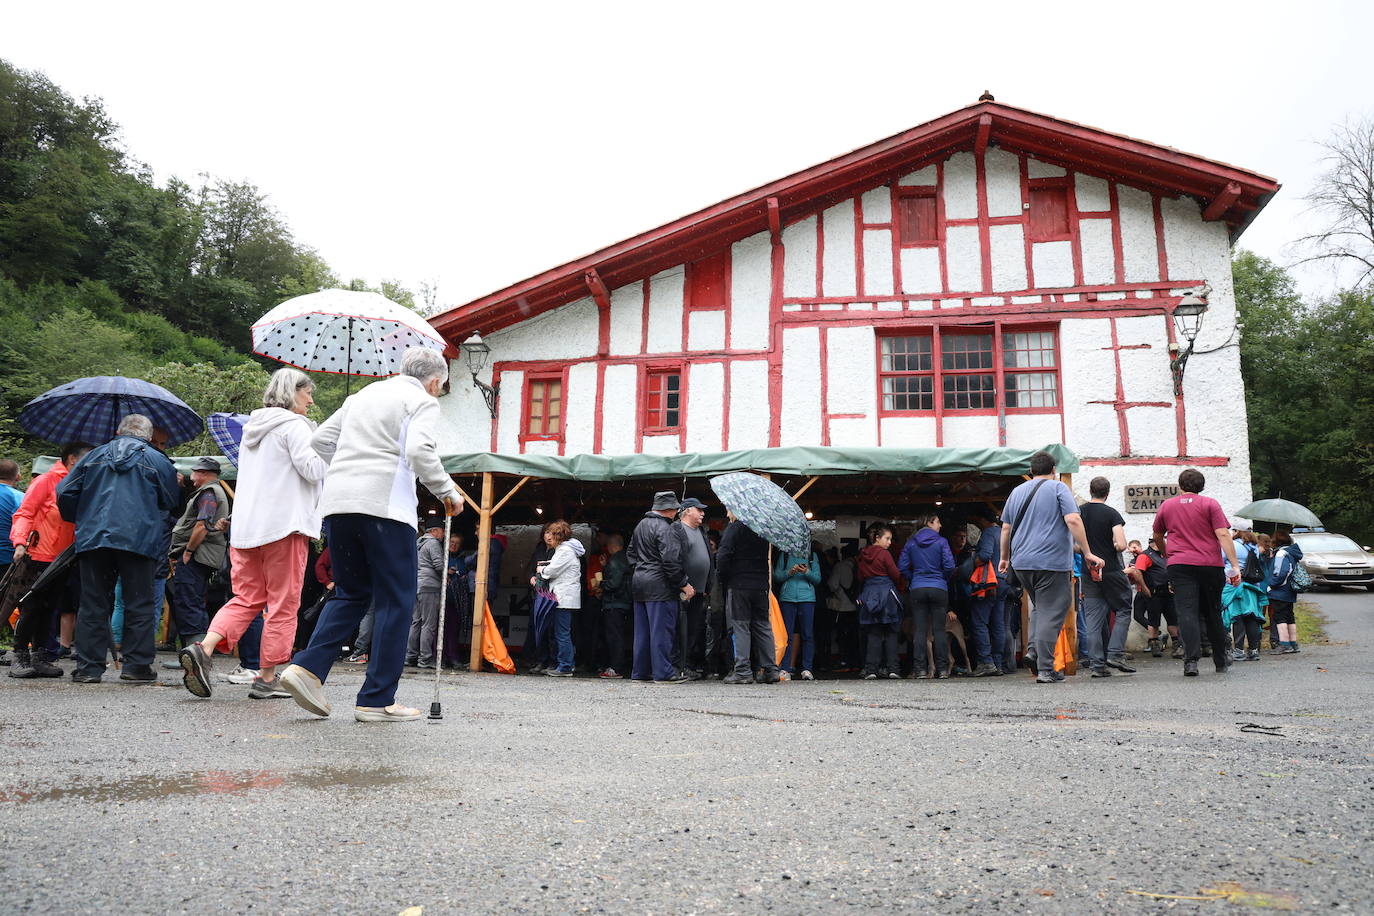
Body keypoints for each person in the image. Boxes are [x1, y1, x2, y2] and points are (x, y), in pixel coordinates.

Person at [279, 346, 463, 723]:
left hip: (339, 504)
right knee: (397, 601)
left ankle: (307, 668)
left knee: (350, 593)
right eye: (441, 387)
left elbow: (320, 441)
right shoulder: (421, 401)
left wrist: (351, 468)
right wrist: (448, 492)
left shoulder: (362, 395)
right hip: (386, 508)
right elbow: (419, 450)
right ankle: (376, 700)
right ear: (434, 382)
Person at [178, 368, 327, 699]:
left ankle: (204, 647)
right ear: (292, 393)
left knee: (247, 598)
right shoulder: (295, 426)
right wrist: (325, 445)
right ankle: (266, 677)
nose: (310, 400)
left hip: (246, 529)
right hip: (284, 526)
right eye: (307, 393)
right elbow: (313, 469)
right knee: (283, 603)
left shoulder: (251, 430)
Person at [55, 414, 179, 684]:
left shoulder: (92, 456)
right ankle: (137, 667)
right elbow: (170, 500)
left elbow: (64, 492)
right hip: (139, 539)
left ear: (119, 432)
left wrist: (83, 518)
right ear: (148, 437)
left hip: (94, 538)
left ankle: (88, 668)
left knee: (92, 603)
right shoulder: (158, 460)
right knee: (139, 602)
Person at [998, 451, 1103, 684]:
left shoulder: (1017, 492)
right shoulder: (1058, 488)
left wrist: (1004, 557)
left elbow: (1006, 528)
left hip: (1022, 563)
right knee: (1054, 611)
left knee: (1041, 608)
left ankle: (1034, 650)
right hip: (1051, 562)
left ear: (1031, 470)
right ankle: (1045, 668)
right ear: (1053, 470)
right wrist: (1087, 552)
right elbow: (1073, 519)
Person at [7, 441, 91, 678]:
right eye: (88, 459)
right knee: (32, 606)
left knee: (51, 607)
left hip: (65, 557)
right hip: (38, 554)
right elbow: (25, 513)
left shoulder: (82, 483)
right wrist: (20, 542)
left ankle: (40, 657)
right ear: (73, 459)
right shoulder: (46, 480)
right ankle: (19, 656)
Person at [1152, 468, 1241, 677]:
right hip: (1210, 563)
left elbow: (1157, 535)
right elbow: (1222, 533)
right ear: (1202, 486)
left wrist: (1167, 555)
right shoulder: (1210, 504)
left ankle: (1191, 662)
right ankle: (1220, 660)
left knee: (1187, 612)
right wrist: (1235, 565)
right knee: (1212, 611)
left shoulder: (1167, 506)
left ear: (1180, 486)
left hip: (1180, 564)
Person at [166, 456, 231, 655]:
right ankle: (197, 653)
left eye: (194, 472)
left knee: (188, 601)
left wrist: (188, 551)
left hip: (197, 555)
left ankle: (195, 654)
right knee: (193, 601)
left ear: (203, 473)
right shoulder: (212, 491)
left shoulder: (208, 493)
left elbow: (201, 526)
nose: (191, 476)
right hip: (203, 555)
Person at [627, 492, 690, 684]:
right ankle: (663, 673)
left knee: (642, 632)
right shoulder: (666, 528)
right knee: (661, 631)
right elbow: (670, 561)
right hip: (660, 587)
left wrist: (642, 569)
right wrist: (683, 583)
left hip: (639, 583)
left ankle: (640, 672)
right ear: (669, 509)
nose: (677, 512)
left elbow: (630, 553)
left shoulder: (640, 525)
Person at [1077, 477, 1136, 678]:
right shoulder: (1111, 513)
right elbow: (1122, 544)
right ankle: (1115, 653)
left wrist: (1087, 550)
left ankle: (1097, 665)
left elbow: (1074, 545)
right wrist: (1112, 545)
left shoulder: (1080, 512)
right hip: (1111, 570)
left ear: (1090, 491)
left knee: (1093, 619)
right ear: (1107, 493)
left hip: (1088, 571)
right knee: (1123, 608)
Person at [717, 511, 778, 685]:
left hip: (739, 585)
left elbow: (723, 556)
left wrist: (723, 577)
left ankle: (743, 671)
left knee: (741, 627)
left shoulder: (734, 528)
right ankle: (771, 669)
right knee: (763, 626)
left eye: (728, 509)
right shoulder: (762, 530)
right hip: (760, 585)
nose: (727, 513)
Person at [899, 514, 955, 679]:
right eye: (938, 522)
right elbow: (950, 566)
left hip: (918, 588)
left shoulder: (911, 543)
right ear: (929, 523)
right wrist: (942, 579)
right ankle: (942, 670)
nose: (940, 525)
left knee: (920, 630)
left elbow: (902, 566)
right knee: (939, 630)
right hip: (938, 588)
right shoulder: (942, 542)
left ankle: (920, 669)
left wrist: (913, 578)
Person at [535, 519, 585, 677]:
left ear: (560, 536)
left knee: (562, 633)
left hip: (563, 597)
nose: (549, 537)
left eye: (553, 534)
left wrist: (541, 569)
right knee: (562, 632)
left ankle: (565, 666)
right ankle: (565, 664)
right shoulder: (567, 549)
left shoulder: (564, 550)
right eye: (548, 533)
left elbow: (553, 570)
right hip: (564, 596)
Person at [856, 524, 905, 679]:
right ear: (877, 538)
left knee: (873, 633)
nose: (889, 542)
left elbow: (859, 576)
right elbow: (895, 574)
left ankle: (871, 670)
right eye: (887, 539)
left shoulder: (862, 554)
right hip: (887, 593)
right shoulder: (885, 554)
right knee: (891, 632)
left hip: (869, 593)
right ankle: (893, 669)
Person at [673, 498, 713, 679]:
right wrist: (682, 584)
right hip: (682, 589)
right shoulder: (677, 529)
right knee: (679, 628)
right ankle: (677, 666)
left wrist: (707, 585)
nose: (703, 513)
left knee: (693, 629)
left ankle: (685, 665)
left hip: (698, 591)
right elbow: (674, 559)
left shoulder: (701, 531)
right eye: (699, 509)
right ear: (688, 510)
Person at [966, 509, 1006, 677]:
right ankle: (998, 663)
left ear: (983, 520)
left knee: (979, 621)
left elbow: (985, 554)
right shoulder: (1004, 532)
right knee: (998, 623)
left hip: (989, 582)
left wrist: (971, 563)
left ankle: (986, 662)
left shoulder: (989, 532)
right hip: (1003, 580)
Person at [773, 542, 821, 680]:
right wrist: (789, 572)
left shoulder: (811, 556)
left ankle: (807, 669)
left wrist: (806, 572)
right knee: (786, 635)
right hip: (787, 598)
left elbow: (818, 579)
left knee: (807, 634)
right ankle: (785, 668)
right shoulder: (785, 555)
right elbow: (777, 576)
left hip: (807, 598)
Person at [405, 520, 448, 669]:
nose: (444, 534)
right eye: (442, 530)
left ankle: (410, 656)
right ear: (434, 531)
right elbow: (439, 565)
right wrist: (447, 574)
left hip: (417, 585)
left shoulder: (418, 543)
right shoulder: (433, 543)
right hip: (430, 586)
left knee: (415, 622)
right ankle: (425, 659)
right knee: (428, 624)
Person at [1223, 531, 1268, 662]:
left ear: (1237, 531)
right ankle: (1253, 650)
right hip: (1252, 587)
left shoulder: (1232, 545)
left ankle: (1239, 651)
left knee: (1238, 617)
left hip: (1235, 586)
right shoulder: (1254, 547)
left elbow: (1221, 562)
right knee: (1251, 618)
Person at [597, 533, 631, 678]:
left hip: (614, 603)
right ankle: (617, 666)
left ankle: (616, 668)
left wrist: (601, 584)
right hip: (623, 602)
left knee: (614, 636)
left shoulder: (616, 560)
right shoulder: (625, 558)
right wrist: (606, 566)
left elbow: (614, 583)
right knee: (619, 635)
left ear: (611, 546)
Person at [1266, 531, 1304, 654]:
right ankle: (1293, 643)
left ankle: (1284, 644)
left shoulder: (1281, 553)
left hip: (1280, 590)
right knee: (1289, 617)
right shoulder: (1291, 552)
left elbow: (1281, 572)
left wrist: (1272, 584)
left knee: (1280, 617)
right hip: (1289, 590)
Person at [826, 544, 860, 672]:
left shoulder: (840, 566)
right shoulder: (858, 566)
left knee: (842, 637)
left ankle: (844, 661)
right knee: (854, 637)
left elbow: (833, 585)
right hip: (856, 607)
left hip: (843, 607)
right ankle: (855, 662)